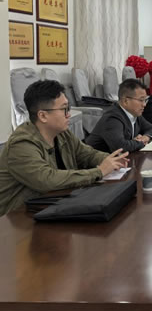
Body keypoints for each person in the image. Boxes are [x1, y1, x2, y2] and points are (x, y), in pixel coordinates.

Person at [0, 80, 129, 216]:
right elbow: (47, 180)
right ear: (43, 115)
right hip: (17, 218)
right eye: (64, 109)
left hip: (54, 206)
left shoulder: (62, 133)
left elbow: (87, 154)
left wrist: (111, 160)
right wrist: (99, 172)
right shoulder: (21, 144)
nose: (69, 114)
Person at [85, 79, 152, 153]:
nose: (144, 104)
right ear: (126, 101)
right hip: (96, 159)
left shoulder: (134, 113)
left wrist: (146, 137)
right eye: (141, 100)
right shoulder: (112, 118)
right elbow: (120, 147)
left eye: (145, 100)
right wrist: (141, 143)